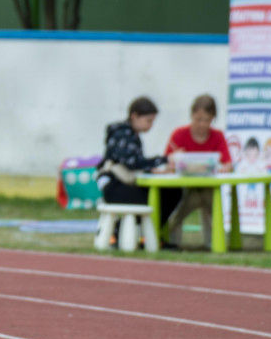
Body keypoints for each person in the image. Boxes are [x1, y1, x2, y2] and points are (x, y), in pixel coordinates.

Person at [96, 96, 180, 245]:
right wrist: (164, 160)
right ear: (134, 116)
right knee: (165, 196)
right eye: (148, 120)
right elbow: (132, 163)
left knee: (170, 192)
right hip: (115, 186)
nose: (151, 125)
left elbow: (135, 164)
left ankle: (136, 234)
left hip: (121, 184)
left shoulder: (130, 134)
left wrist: (154, 169)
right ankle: (144, 237)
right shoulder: (122, 133)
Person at [162, 95, 231, 248]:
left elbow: (227, 163)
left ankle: (209, 238)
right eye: (198, 119)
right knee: (196, 197)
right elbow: (166, 162)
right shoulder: (179, 134)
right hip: (184, 187)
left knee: (205, 195)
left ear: (213, 118)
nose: (202, 124)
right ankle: (215, 240)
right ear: (192, 115)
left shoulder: (217, 136)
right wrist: (175, 160)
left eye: (206, 120)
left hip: (207, 186)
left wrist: (225, 167)